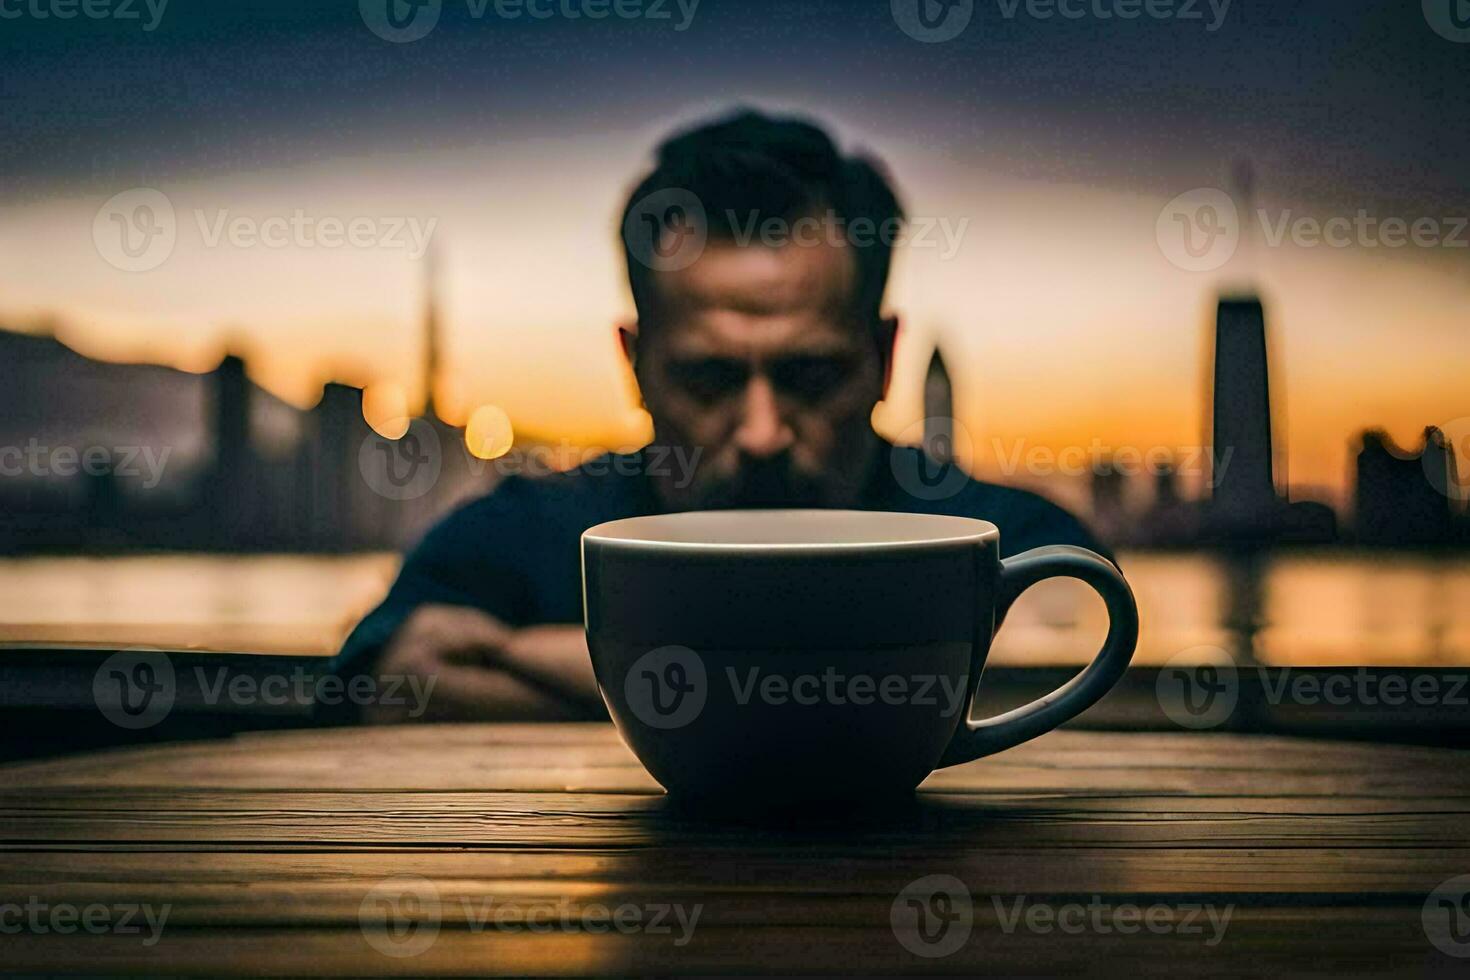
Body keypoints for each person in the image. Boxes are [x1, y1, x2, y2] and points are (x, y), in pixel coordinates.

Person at [335, 108, 1104, 723]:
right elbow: (396, 679)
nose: (762, 432)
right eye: (709, 379)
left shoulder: (1013, 541)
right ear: (633, 365)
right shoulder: (509, 537)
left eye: (810, 375)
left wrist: (527, 654)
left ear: (885, 357)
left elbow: (1083, 688)